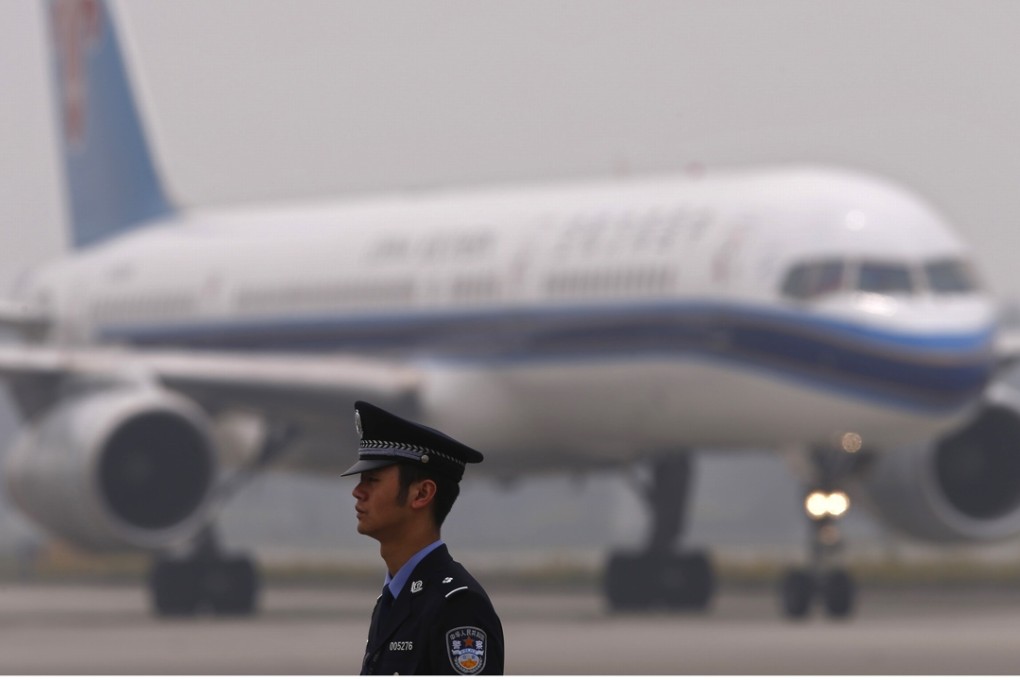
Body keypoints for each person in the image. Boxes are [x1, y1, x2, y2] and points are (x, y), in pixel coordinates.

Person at [342, 400, 505, 675]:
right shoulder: (392, 600)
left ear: (421, 494)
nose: (357, 492)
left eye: (371, 480)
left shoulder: (458, 606)